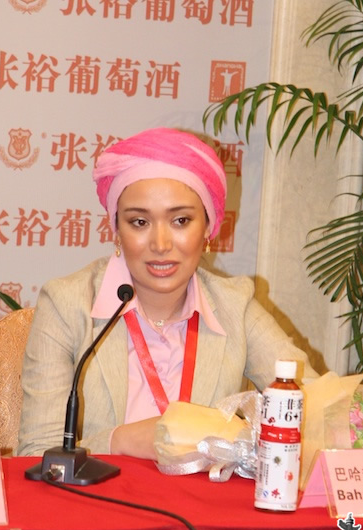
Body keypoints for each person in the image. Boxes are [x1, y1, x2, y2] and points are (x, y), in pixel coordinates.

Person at [17, 127, 318, 459]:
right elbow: (34, 454)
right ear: (116, 229)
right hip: (98, 505)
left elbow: (319, 408)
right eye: (140, 222)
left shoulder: (235, 305)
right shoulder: (66, 304)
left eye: (180, 220)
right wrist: (121, 441)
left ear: (208, 228)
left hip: (200, 509)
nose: (161, 245)